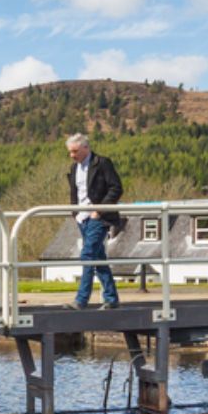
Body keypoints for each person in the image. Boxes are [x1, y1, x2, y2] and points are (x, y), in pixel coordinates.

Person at [65, 132, 123, 310]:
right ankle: (111, 299)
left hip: (99, 217)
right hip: (82, 218)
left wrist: (99, 209)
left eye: (75, 151)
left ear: (85, 147)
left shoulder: (102, 163)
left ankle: (81, 300)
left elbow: (116, 188)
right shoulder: (74, 168)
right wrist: (75, 212)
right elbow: (76, 192)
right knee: (98, 258)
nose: (72, 155)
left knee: (88, 255)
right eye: (70, 152)